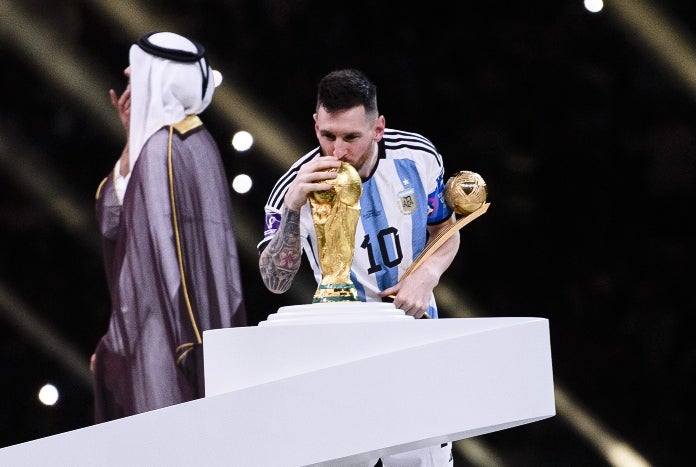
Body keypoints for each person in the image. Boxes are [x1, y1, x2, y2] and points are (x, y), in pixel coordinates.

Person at [258, 68, 457, 466]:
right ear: (315, 124)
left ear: (378, 128)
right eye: (327, 135)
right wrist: (295, 207)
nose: (338, 151)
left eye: (351, 137)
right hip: (338, 353)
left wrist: (426, 276)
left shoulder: (417, 157)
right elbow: (274, 281)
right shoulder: (290, 189)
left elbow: (446, 229)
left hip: (415, 342)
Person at [91, 31, 247, 423]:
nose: (128, 83)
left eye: (134, 78)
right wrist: (131, 141)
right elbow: (123, 219)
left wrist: (119, 345)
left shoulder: (165, 147)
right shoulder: (193, 141)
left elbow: (144, 247)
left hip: (169, 336)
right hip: (189, 331)